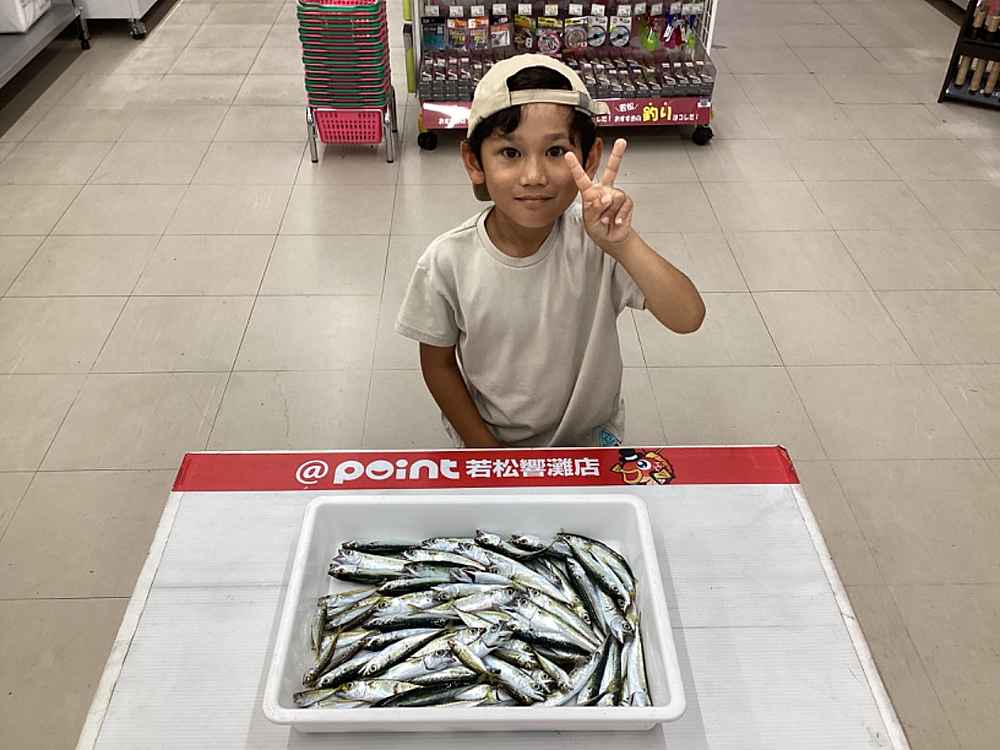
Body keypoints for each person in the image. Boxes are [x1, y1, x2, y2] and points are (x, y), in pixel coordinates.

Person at [396, 54, 705, 448]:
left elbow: (688, 317)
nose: (534, 176)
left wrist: (623, 244)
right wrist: (485, 448)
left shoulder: (598, 244)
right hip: (493, 444)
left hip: (588, 444)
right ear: (475, 162)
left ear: (590, 159)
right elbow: (438, 364)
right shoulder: (447, 262)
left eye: (556, 151)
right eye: (511, 153)